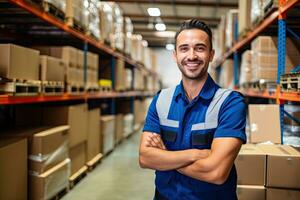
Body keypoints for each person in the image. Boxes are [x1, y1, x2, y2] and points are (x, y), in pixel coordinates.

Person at [139, 19, 246, 200]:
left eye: (199, 48)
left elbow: (216, 172)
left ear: (211, 54)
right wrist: (196, 154)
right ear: (175, 55)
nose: (191, 56)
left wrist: (165, 156)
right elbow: (145, 158)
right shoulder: (161, 100)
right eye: (184, 48)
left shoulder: (230, 103)